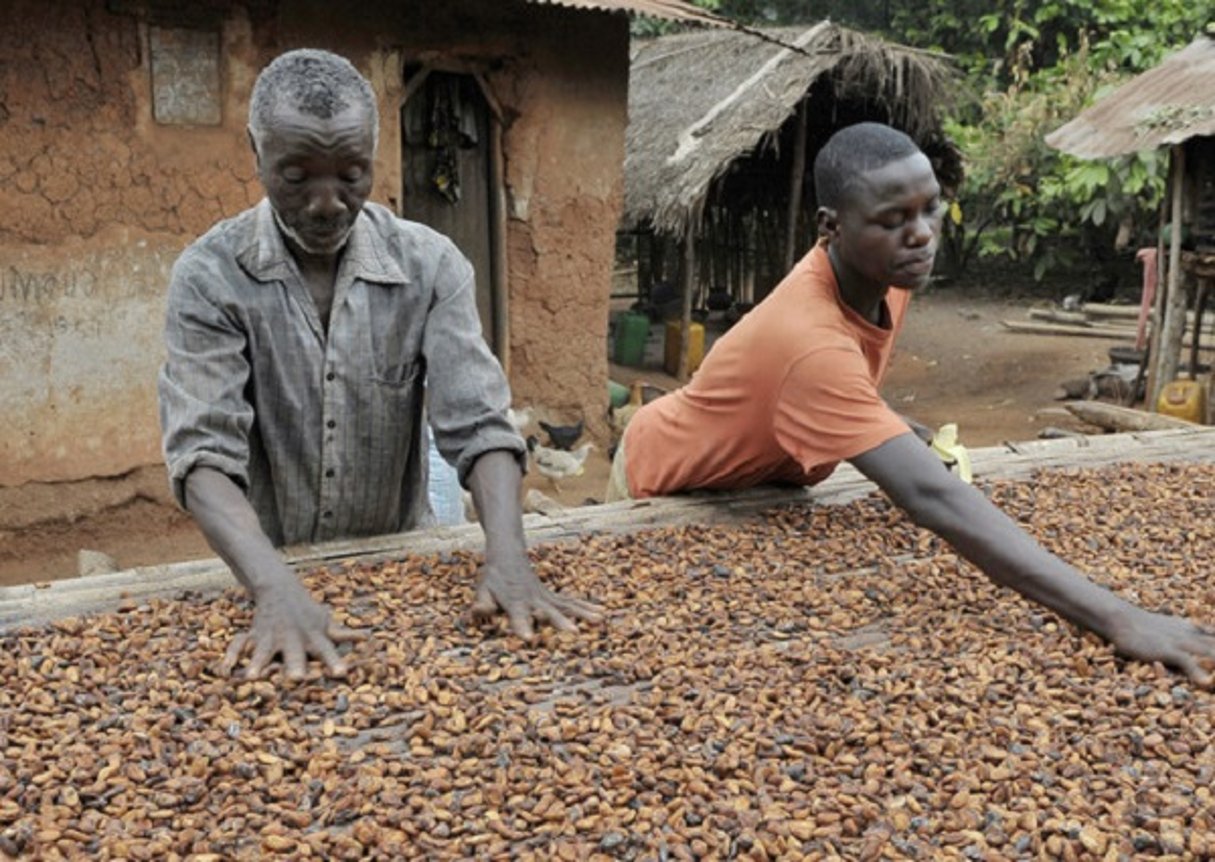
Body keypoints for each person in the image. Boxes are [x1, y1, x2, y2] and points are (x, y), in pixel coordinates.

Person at [608, 122, 1215, 684]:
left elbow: (846, 388)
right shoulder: (807, 341)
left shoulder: (883, 279)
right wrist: (1119, 618)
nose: (922, 233)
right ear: (831, 225)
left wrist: (895, 426)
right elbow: (929, 496)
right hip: (664, 479)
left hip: (758, 481)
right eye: (893, 218)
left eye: (930, 208)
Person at [158, 49, 599, 680]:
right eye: (295, 176)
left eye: (352, 175)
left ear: (375, 155)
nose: (326, 202)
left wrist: (509, 558)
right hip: (265, 571)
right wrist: (274, 588)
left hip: (398, 564)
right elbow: (202, 456)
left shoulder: (430, 266)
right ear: (256, 154)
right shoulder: (210, 278)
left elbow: (479, 426)